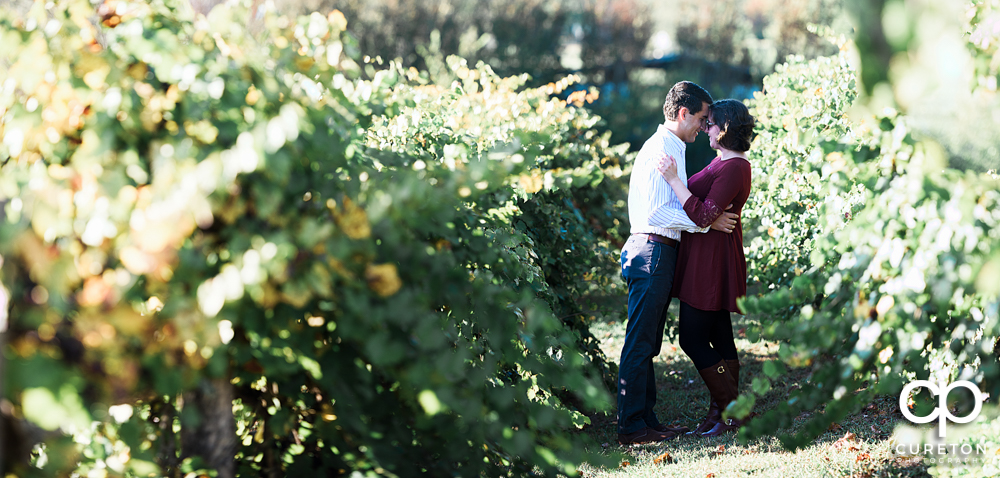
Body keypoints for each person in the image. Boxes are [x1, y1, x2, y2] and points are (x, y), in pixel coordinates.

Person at [617, 82, 738, 445]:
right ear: (683, 113)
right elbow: (657, 210)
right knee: (640, 341)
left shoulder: (673, 147)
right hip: (652, 249)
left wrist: (701, 218)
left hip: (658, 250)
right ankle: (631, 427)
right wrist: (705, 220)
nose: (704, 127)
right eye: (701, 118)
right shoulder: (662, 148)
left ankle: (645, 421)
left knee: (649, 341)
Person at [655, 98, 755, 437]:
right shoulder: (725, 162)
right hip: (709, 254)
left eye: (710, 123)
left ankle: (733, 412)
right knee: (719, 336)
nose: (705, 127)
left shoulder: (735, 167)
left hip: (711, 261)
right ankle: (723, 416)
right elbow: (707, 214)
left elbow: (702, 215)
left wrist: (672, 179)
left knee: (692, 338)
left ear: (724, 128)